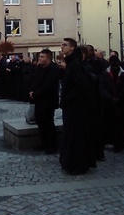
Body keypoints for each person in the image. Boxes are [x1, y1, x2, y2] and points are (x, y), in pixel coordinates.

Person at [59, 38, 96, 175]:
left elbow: (80, 86)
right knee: (71, 134)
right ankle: (72, 163)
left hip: (76, 107)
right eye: (62, 45)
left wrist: (68, 99)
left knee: (76, 135)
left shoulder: (75, 64)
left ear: (72, 48)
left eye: (65, 45)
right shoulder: (71, 63)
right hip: (72, 106)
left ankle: (78, 164)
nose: (62, 47)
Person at [29, 49, 60, 154]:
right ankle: (44, 143)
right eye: (39, 56)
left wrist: (36, 93)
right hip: (38, 100)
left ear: (48, 58)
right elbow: (35, 80)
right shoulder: (39, 67)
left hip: (48, 100)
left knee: (48, 123)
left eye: (42, 57)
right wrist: (32, 91)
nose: (40, 58)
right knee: (40, 122)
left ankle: (52, 145)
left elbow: (48, 85)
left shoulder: (53, 69)